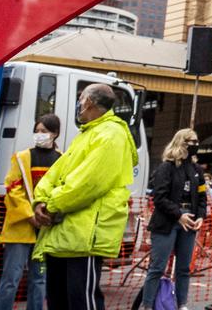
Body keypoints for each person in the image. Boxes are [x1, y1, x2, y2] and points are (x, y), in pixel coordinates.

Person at [32, 83, 138, 310]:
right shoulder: (89, 134)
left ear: (88, 102)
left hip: (84, 234)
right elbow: (57, 173)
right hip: (67, 232)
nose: (79, 105)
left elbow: (88, 183)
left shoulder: (111, 134)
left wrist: (48, 204)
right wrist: (41, 200)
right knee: (59, 300)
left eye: (81, 100)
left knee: (80, 301)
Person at [0, 114, 63, 310]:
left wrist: (49, 214)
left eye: (44, 131)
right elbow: (12, 188)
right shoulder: (22, 157)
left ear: (55, 133)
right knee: (11, 278)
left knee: (39, 279)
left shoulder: (62, 159)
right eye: (37, 130)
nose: (39, 134)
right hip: (22, 226)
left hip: (46, 227)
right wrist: (30, 215)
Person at [142, 128, 207, 310]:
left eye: (196, 141)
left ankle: (182, 304)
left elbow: (202, 197)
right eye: (192, 141)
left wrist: (201, 216)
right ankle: (147, 305)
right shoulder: (166, 167)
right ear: (182, 142)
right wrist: (179, 215)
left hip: (190, 223)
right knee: (157, 267)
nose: (195, 145)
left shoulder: (196, 170)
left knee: (184, 269)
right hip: (167, 223)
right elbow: (159, 197)